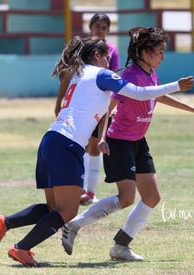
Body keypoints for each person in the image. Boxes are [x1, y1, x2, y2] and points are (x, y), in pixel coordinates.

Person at [0, 35, 194, 267]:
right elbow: (138, 92)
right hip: (67, 145)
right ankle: (22, 248)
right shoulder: (101, 74)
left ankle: (5, 223)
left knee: (55, 208)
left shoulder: (79, 74)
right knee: (67, 210)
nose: (109, 61)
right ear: (97, 55)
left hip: (50, 140)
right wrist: (177, 86)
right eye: (106, 56)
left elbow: (89, 107)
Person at [61, 27, 194, 261]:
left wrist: (192, 109)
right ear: (144, 52)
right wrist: (101, 138)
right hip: (118, 141)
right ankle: (73, 226)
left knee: (152, 197)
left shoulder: (150, 71)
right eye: (160, 52)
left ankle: (120, 247)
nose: (163, 57)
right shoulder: (129, 76)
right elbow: (107, 108)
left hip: (138, 141)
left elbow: (155, 94)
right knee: (126, 198)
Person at [55, 13, 121, 205]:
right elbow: (66, 76)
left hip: (100, 106)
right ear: (90, 28)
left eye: (103, 27)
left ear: (108, 30)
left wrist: (112, 107)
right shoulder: (82, 49)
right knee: (80, 146)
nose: (99, 30)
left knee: (94, 147)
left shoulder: (111, 51)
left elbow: (113, 80)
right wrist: (59, 102)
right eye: (96, 26)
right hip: (80, 107)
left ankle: (90, 192)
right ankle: (80, 189)